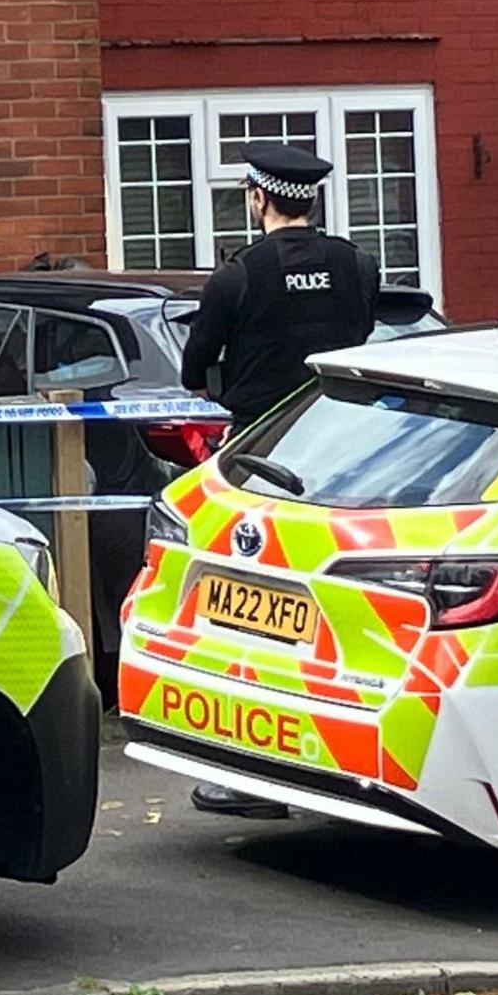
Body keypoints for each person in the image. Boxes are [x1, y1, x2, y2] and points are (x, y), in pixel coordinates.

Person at [176, 139, 378, 818]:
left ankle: (250, 776)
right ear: (311, 200)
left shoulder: (239, 277)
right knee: (341, 616)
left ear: (258, 197)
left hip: (262, 466)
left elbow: (192, 366)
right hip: (352, 460)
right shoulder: (357, 264)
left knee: (249, 616)